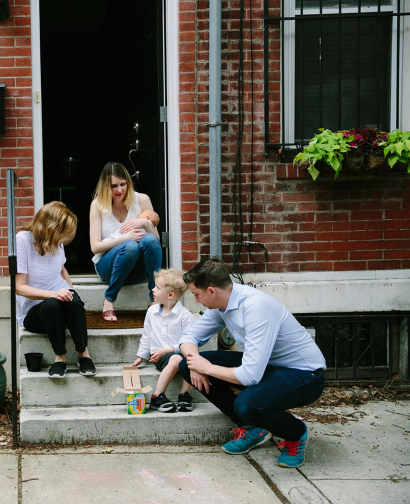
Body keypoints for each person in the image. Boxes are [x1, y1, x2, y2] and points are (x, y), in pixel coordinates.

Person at [177, 258, 326, 468]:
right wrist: (194, 362)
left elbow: (250, 376)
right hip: (268, 367)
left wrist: (206, 368)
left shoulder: (256, 308)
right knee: (184, 365)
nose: (197, 300)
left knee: (248, 404)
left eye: (196, 294)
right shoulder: (223, 304)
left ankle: (296, 434)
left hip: (304, 375)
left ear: (211, 291)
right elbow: (188, 337)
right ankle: (253, 428)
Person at [16, 201, 97, 379]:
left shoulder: (56, 242)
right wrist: (53, 294)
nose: (63, 239)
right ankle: (60, 357)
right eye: (61, 233)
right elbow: (19, 288)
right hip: (34, 310)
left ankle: (84, 354)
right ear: (50, 228)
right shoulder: (23, 239)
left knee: (74, 302)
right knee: (52, 304)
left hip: (58, 296)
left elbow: (61, 269)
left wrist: (72, 291)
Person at [89, 163, 162, 321]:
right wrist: (124, 238)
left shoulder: (141, 200)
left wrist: (143, 223)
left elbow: (156, 242)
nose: (119, 190)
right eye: (113, 186)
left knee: (149, 238)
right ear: (105, 187)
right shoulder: (98, 205)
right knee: (130, 246)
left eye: (123, 184)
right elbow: (95, 247)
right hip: (108, 266)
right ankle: (109, 299)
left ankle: (155, 298)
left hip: (138, 268)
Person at [131, 268, 194, 413]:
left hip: (180, 354)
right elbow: (147, 335)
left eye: (157, 288)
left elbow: (190, 342)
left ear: (170, 295)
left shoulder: (185, 316)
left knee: (193, 358)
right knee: (176, 359)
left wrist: (170, 349)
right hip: (162, 359)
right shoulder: (152, 312)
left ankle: (185, 394)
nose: (153, 289)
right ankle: (157, 396)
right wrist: (141, 356)